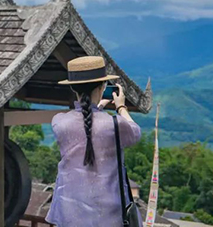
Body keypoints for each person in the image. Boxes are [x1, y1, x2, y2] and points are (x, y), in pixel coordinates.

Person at [45, 55, 144, 227]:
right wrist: (121, 106)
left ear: (73, 89)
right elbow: (135, 133)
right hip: (109, 216)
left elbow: (87, 125)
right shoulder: (114, 125)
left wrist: (97, 107)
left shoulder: (59, 122)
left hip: (69, 214)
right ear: (103, 86)